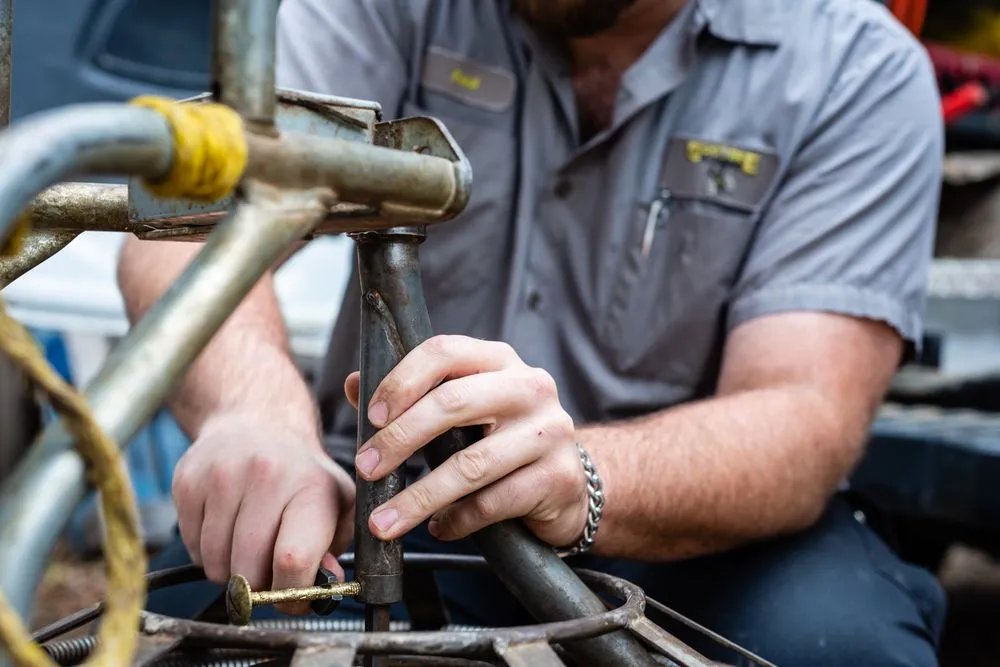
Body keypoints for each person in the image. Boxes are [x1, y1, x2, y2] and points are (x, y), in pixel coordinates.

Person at [118, 0, 947, 664]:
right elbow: (177, 234)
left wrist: (581, 476)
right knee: (166, 639)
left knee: (840, 647)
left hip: (700, 535)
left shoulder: (852, 67)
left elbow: (803, 410)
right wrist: (255, 415)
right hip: (389, 498)